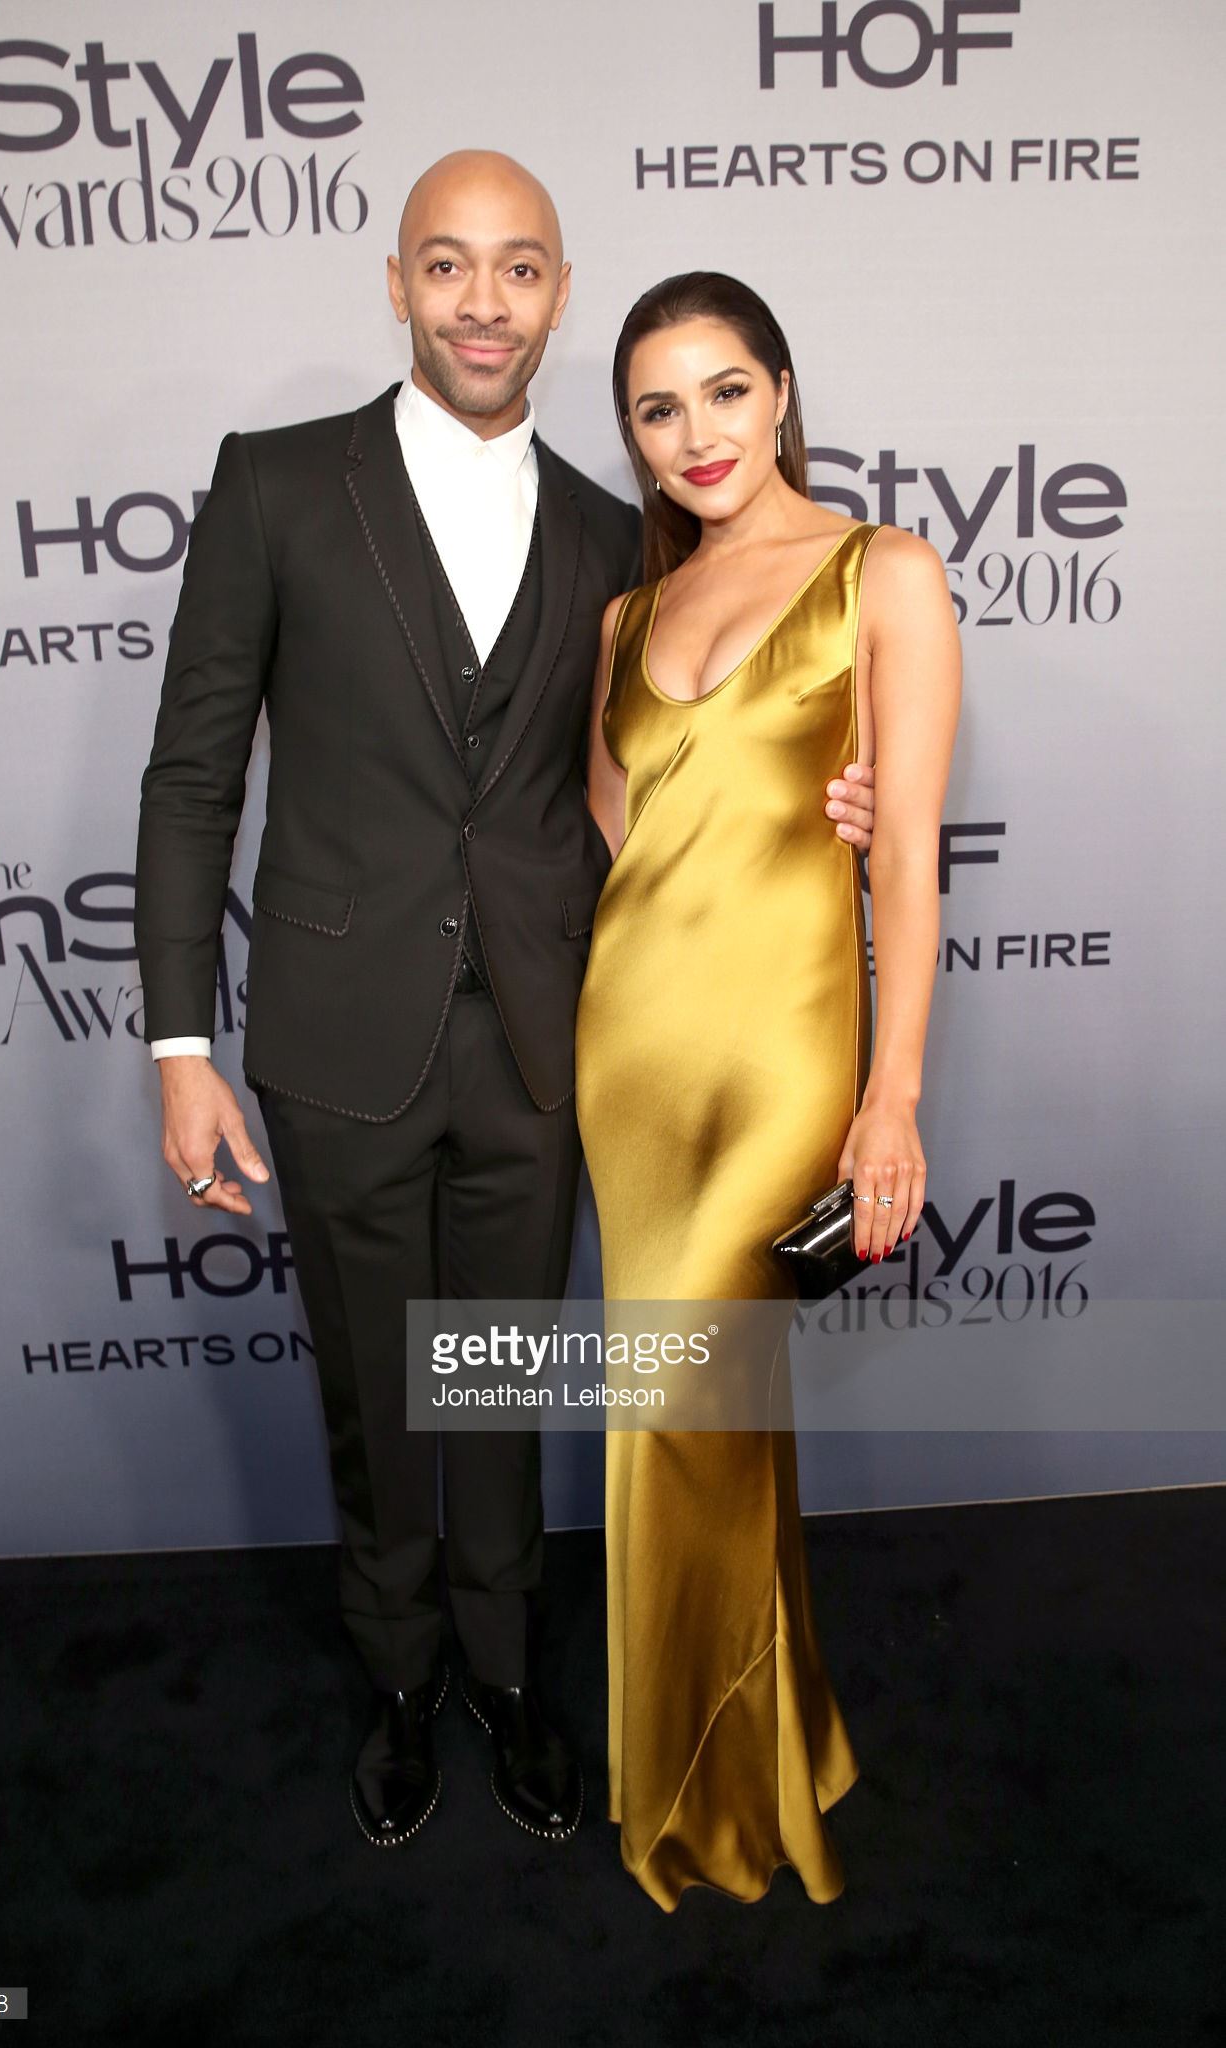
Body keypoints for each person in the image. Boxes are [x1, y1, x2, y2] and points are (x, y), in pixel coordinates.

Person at [134, 161, 879, 1853]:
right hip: (337, 1037)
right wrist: (180, 1046)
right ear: (396, 280)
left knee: (487, 1380)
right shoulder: (275, 486)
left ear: (556, 294)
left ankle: (502, 1668)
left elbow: (665, 777)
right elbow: (191, 779)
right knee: (375, 1384)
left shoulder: (619, 537)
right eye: (450, 265)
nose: (484, 302)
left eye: (520, 269)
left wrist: (827, 807)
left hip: (552, 1040)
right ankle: (397, 1679)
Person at [577, 272, 961, 1910]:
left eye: (724, 391)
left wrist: (890, 1098)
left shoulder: (885, 572)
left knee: (673, 1406)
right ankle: (776, 1742)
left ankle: (707, 1797)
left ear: (782, 392)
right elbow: (622, 834)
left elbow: (908, 865)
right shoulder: (623, 619)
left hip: (784, 1054)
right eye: (657, 409)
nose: (696, 435)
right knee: (707, 1416)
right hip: (631, 1055)